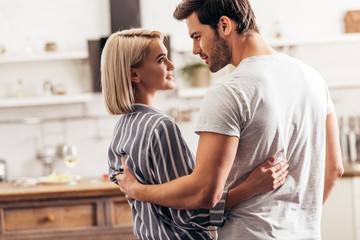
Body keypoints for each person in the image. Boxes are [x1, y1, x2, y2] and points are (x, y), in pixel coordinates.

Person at [116, 0, 345, 239]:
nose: (195, 49)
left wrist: (138, 190)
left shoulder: (229, 91)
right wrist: (296, 223)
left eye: (197, 36)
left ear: (224, 25)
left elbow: (204, 192)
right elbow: (334, 168)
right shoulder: (313, 79)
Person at [101, 28, 288, 240]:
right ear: (134, 74)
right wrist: (250, 188)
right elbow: (191, 213)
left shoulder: (123, 126)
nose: (171, 66)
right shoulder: (160, 126)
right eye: (161, 60)